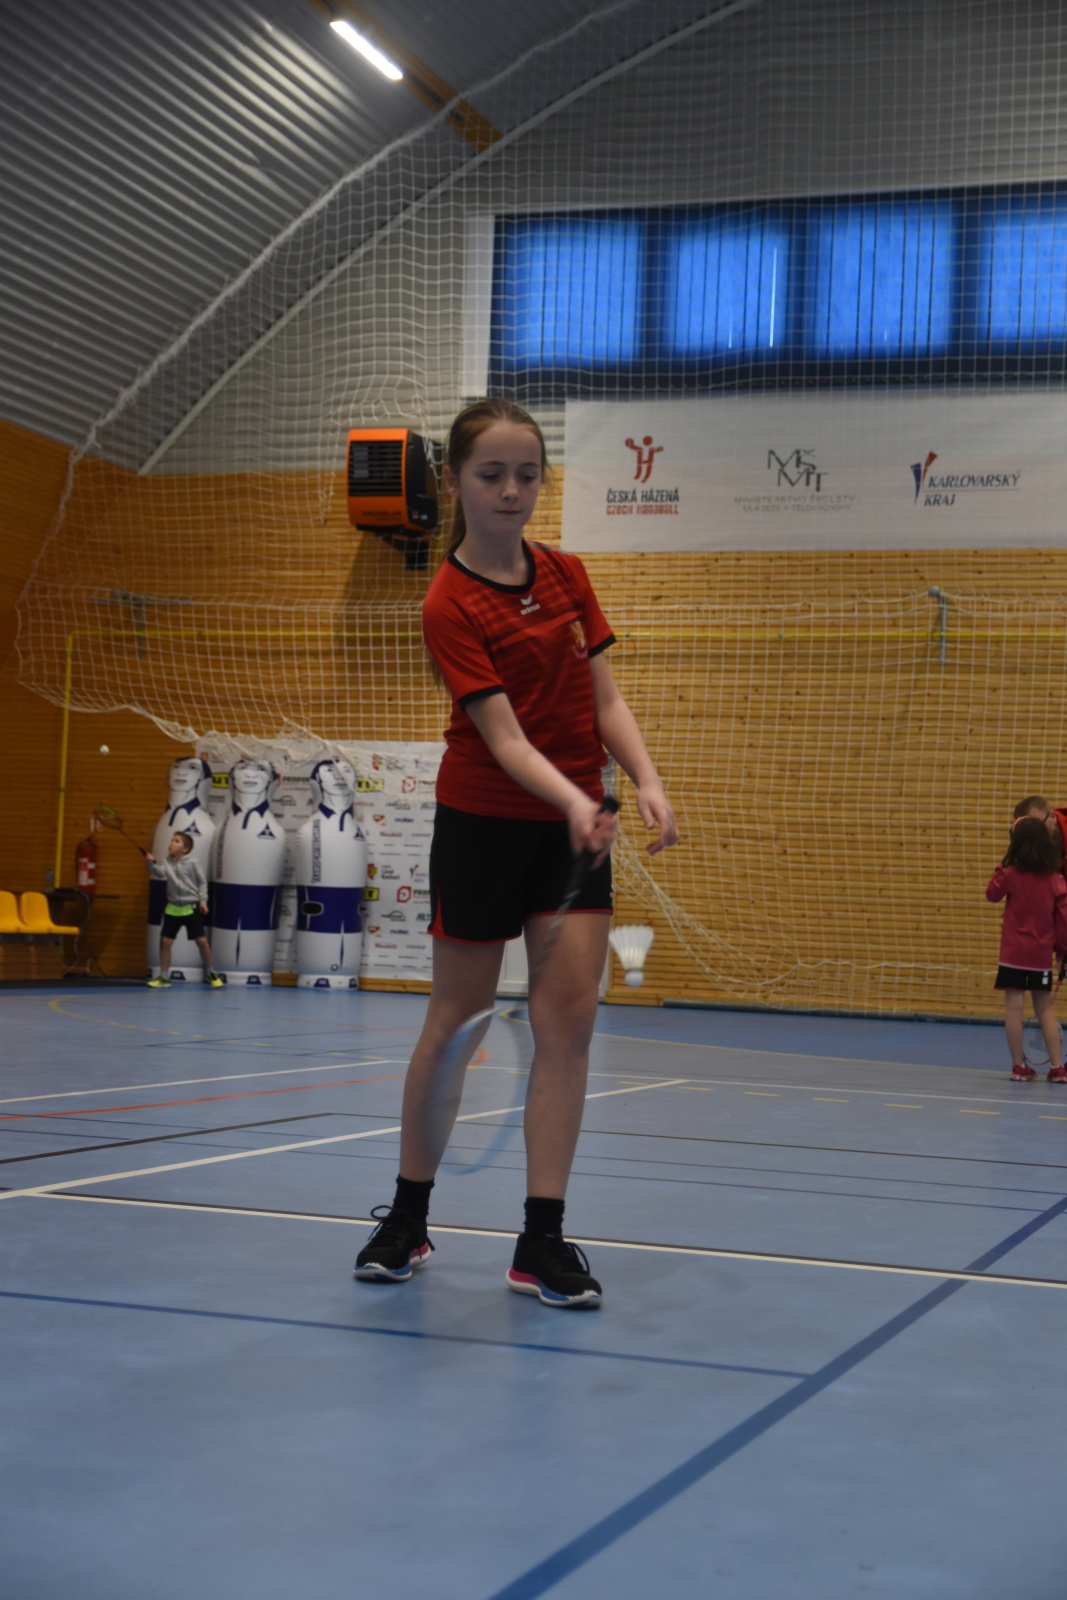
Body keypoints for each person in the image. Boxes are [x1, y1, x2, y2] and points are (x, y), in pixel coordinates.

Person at [354, 397, 679, 1307]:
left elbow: (603, 698)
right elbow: (501, 738)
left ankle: (541, 1239)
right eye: (491, 474)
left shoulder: (567, 574)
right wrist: (575, 799)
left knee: (566, 1028)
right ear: (454, 481)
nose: (511, 490)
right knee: (456, 1023)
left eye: (527, 475)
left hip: (571, 836)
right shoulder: (447, 602)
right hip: (485, 823)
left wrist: (645, 779)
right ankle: (407, 1217)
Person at [986, 815, 1067, 1082]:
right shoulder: (1055, 879)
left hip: (1012, 954)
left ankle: (1019, 1067)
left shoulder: (1010, 875)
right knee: (1045, 1010)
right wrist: (1062, 952)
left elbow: (992, 894)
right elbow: (1063, 919)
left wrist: (1003, 864)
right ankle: (1057, 1068)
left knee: (1014, 1008)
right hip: (1040, 955)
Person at [146, 832, 223, 989]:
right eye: (172, 840)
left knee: (201, 941)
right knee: (166, 942)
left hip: (190, 907)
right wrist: (151, 863)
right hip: (173, 907)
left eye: (176, 841)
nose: (172, 843)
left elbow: (202, 882)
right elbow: (159, 873)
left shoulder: (193, 862)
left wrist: (203, 901)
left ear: (185, 849)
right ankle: (164, 977)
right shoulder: (166, 862)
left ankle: (211, 973)